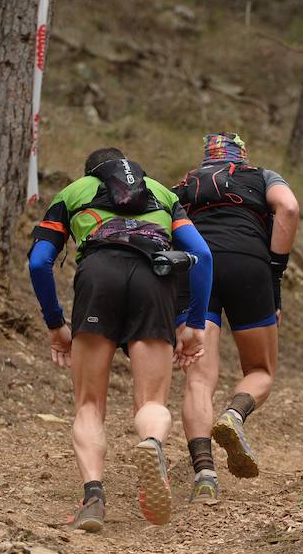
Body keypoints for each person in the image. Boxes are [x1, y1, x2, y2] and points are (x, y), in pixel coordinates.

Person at [28, 147, 213, 530]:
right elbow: (202, 256)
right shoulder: (162, 192)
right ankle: (153, 445)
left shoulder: (73, 192)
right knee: (151, 400)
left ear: (91, 174)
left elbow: (38, 261)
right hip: (154, 280)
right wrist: (194, 323)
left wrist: (54, 324)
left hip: (99, 277)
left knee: (89, 404)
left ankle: (93, 498)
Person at [172, 133, 299, 502]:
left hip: (197, 269)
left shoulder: (183, 186)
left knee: (198, 378)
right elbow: (288, 208)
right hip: (249, 265)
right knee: (260, 370)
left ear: (205, 159)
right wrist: (275, 271)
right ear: (242, 157)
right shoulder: (261, 176)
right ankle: (234, 415)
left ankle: (205, 475)